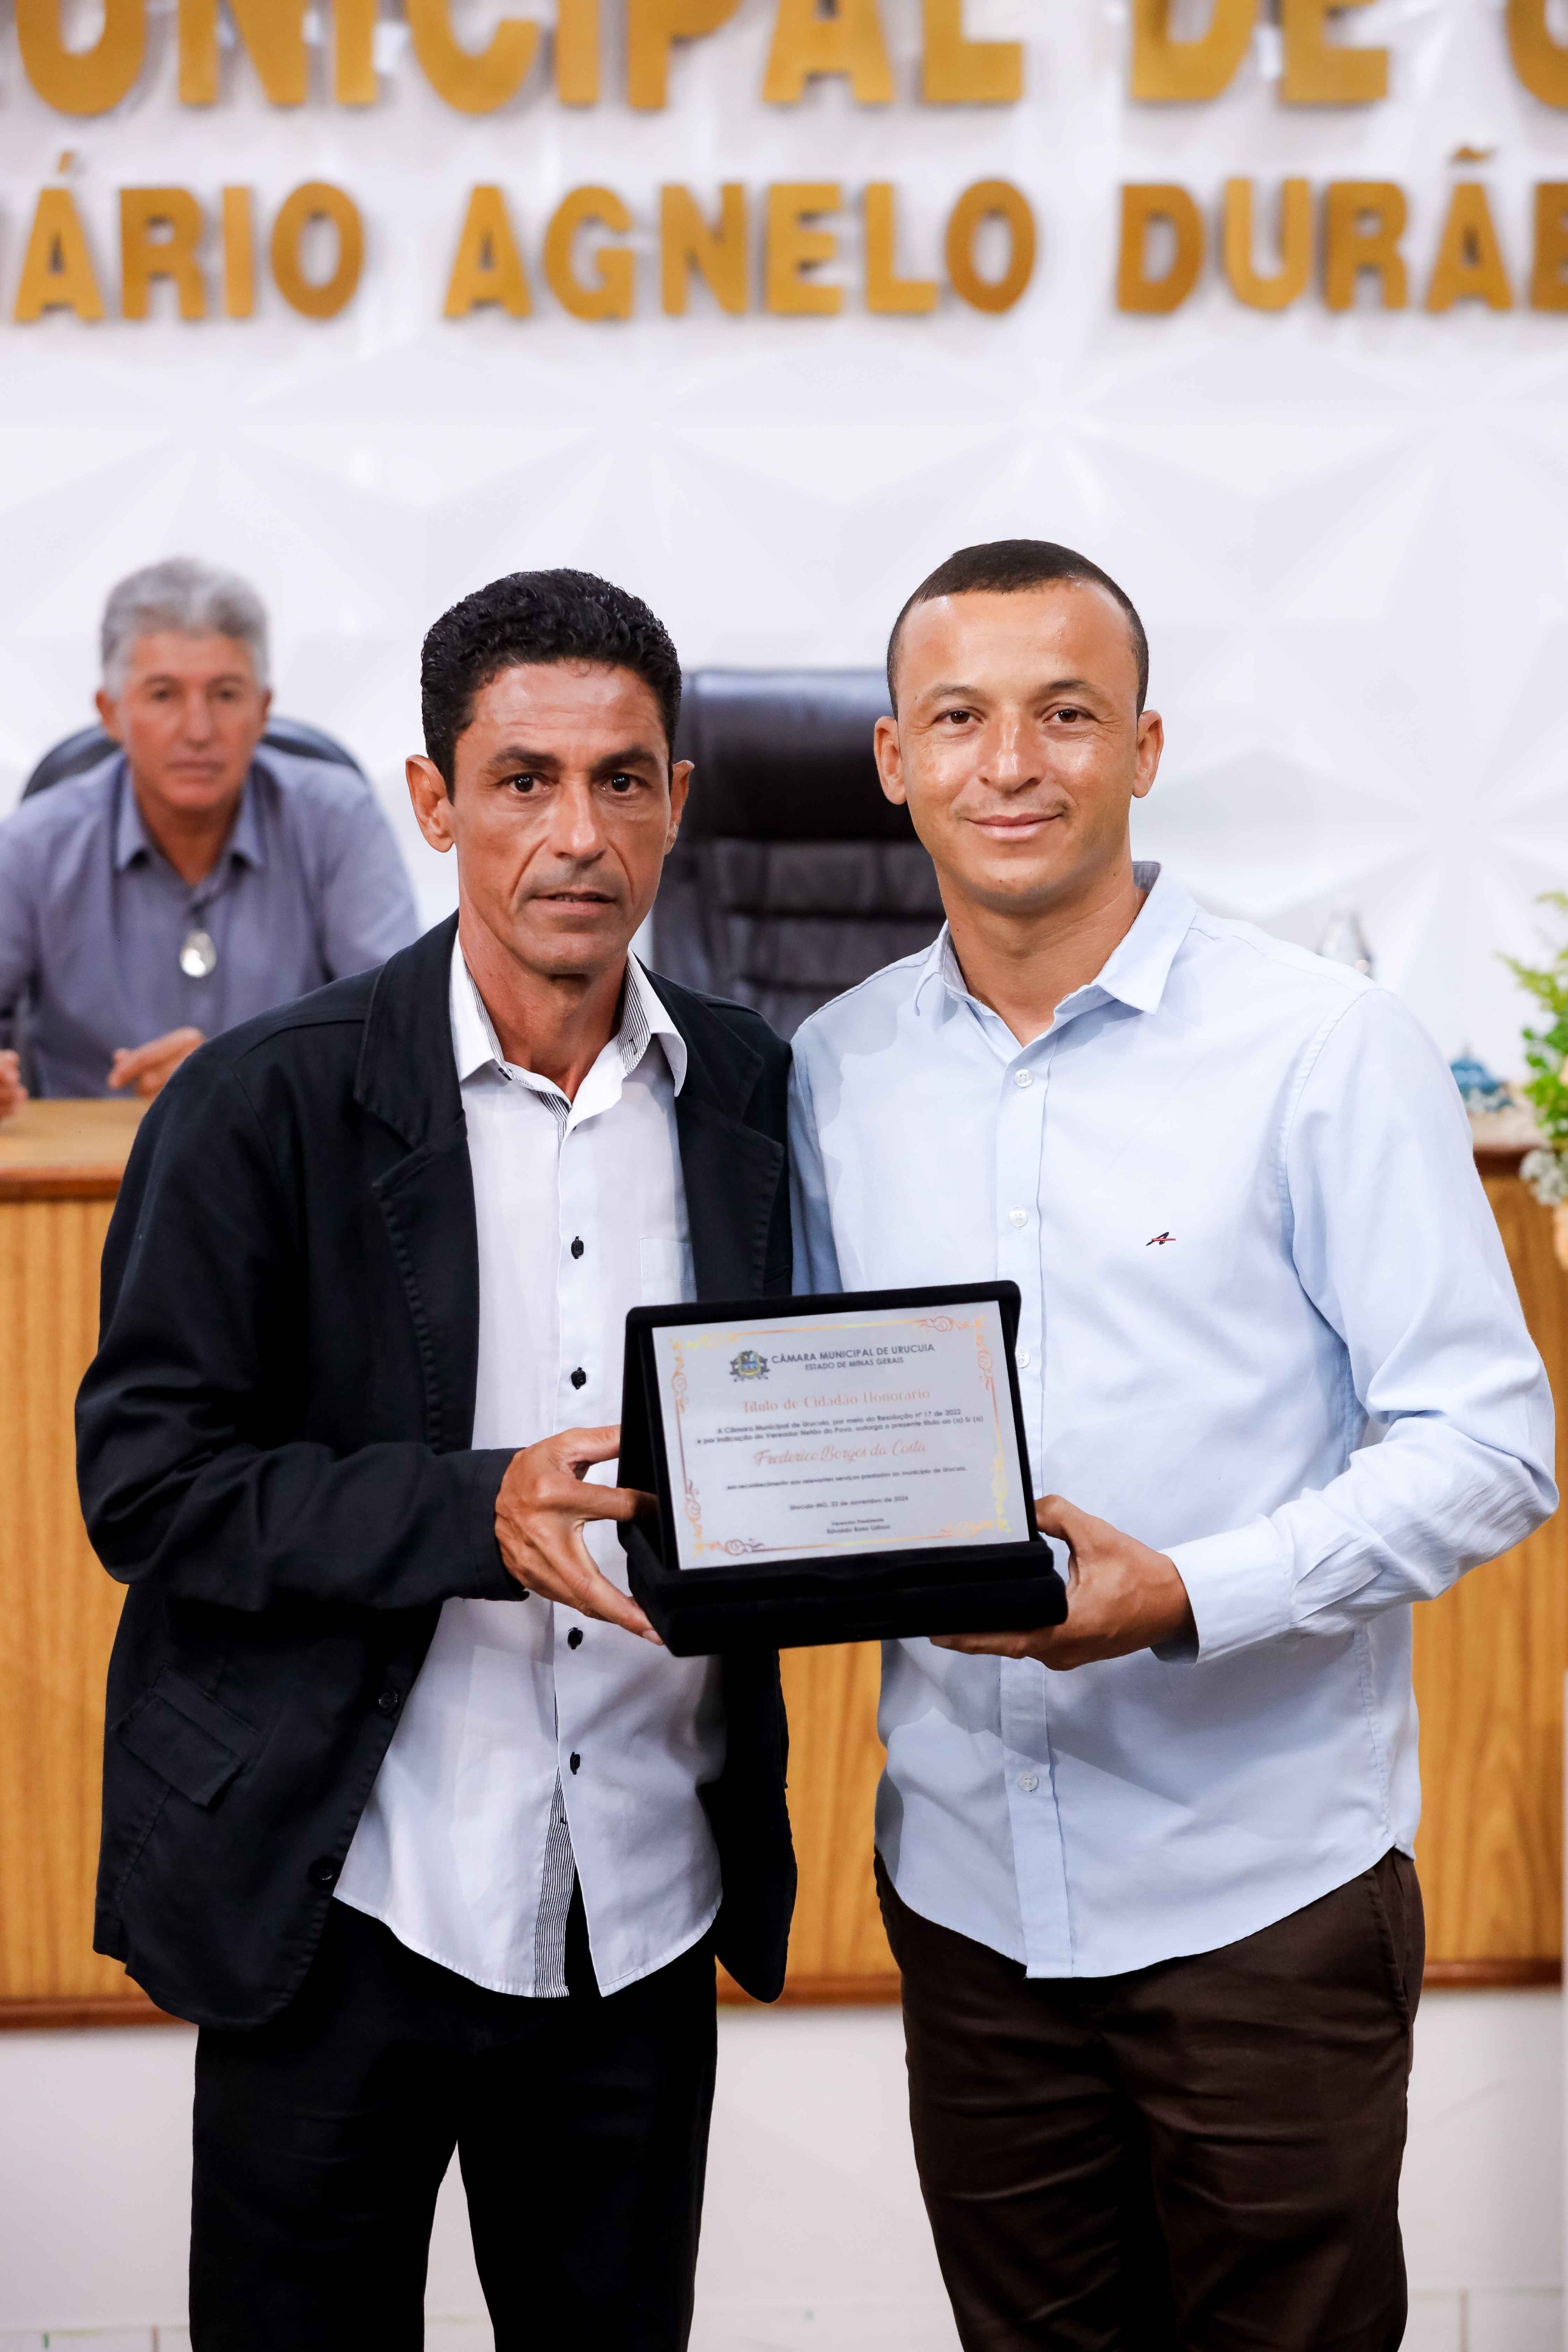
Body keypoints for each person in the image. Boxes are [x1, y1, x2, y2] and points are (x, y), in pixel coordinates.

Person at [789, 538, 1555, 2352]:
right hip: (966, 1900)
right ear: (891, 760)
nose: (1009, 762)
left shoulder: (1321, 1047)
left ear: (1141, 747)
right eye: (956, 718)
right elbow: (810, 1428)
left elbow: (1488, 1441)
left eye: (1064, 714)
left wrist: (1187, 1595)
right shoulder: (827, 1071)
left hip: (1260, 1899)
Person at [76, 569, 796, 2351]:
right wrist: (471, 1510)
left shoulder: (758, 1099)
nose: (576, 834)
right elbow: (147, 1483)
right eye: (522, 780)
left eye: (620, 781)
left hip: (636, 1914)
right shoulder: (259, 1101)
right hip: (343, 1903)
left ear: (677, 800)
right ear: (431, 800)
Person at [0, 557, 417, 1103]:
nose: (198, 730)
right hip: (86, 1155)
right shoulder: (34, 843)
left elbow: (406, 1031)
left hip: (284, 1149)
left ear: (263, 710)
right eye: (163, 694)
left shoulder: (339, 821)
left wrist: (238, 1073)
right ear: (110, 713)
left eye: (225, 695)